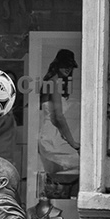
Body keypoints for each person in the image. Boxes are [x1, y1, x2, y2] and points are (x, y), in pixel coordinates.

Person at [37, 48, 80, 187]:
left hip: (52, 136)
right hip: (52, 138)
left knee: (56, 175)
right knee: (83, 163)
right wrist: (73, 143)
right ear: (58, 64)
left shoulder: (53, 82)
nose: (68, 68)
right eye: (65, 64)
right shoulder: (54, 82)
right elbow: (58, 117)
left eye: (70, 66)